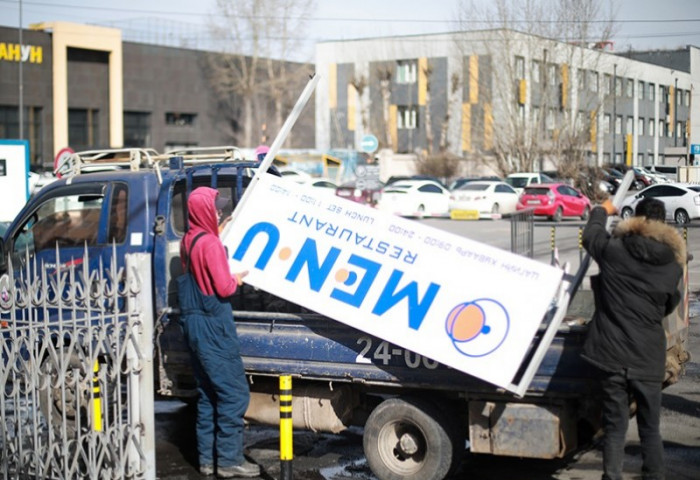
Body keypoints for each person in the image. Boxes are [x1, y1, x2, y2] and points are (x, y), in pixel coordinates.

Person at [582, 197, 686, 480]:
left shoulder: (614, 250)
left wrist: (602, 210)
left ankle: (612, 476)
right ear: (663, 224)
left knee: (615, 426)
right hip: (647, 357)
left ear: (635, 220)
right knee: (650, 428)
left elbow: (590, 235)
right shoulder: (673, 267)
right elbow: (669, 305)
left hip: (610, 355)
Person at [177, 186, 260, 478]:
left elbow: (199, 274)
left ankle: (206, 460)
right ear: (203, 211)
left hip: (193, 324)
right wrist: (235, 277)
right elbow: (223, 287)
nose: (218, 212)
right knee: (234, 394)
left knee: (208, 393)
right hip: (214, 325)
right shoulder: (211, 244)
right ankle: (228, 461)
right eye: (214, 208)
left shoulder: (188, 240)